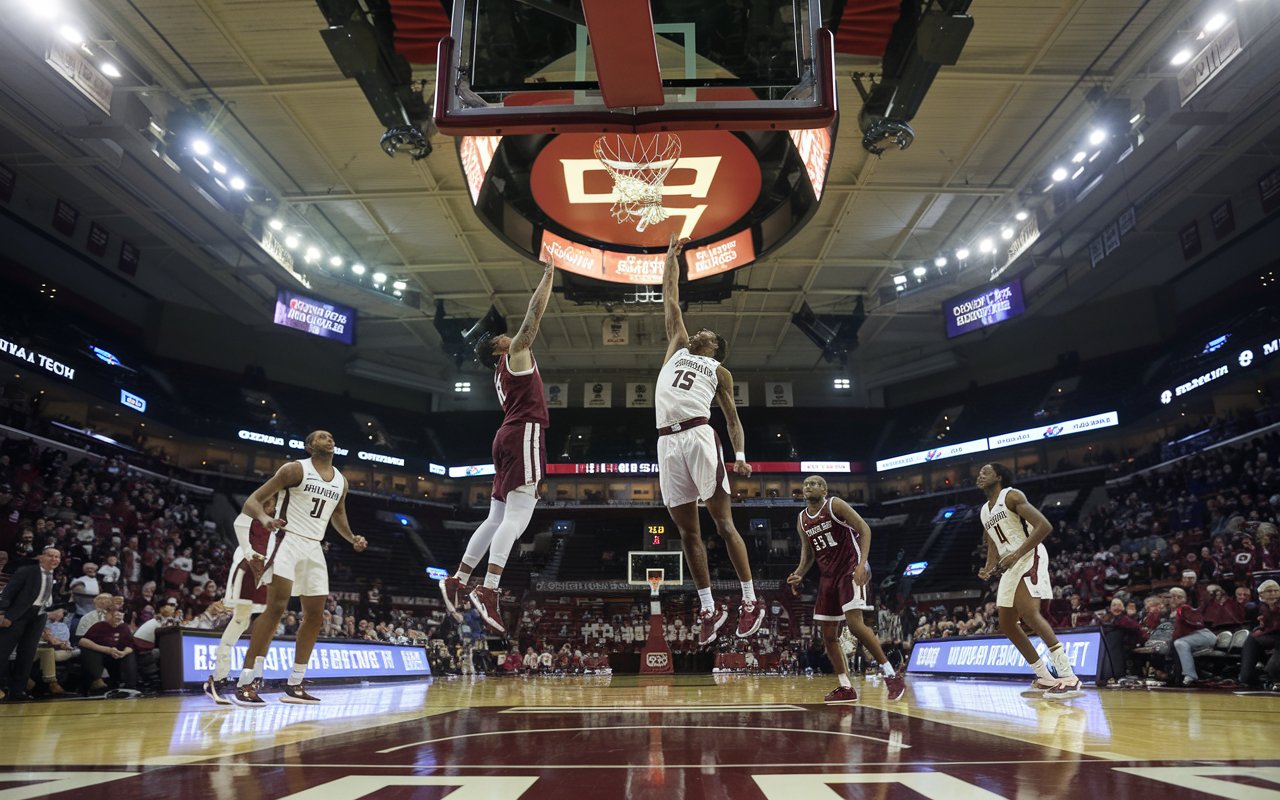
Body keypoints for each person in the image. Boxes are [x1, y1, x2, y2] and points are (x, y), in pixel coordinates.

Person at [653, 233, 763, 646]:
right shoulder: (678, 347)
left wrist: (740, 455)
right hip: (666, 443)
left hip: (700, 435)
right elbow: (671, 299)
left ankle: (750, 600)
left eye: (710, 335)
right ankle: (708, 608)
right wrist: (669, 258)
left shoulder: (719, 371)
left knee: (722, 523)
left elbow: (733, 418)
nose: (701, 331)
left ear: (716, 349)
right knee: (687, 533)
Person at [439, 260, 555, 634]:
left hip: (505, 436)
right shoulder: (514, 357)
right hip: (524, 433)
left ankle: (459, 578)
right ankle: (488, 588)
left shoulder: (503, 373)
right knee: (517, 519)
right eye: (500, 339)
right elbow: (533, 319)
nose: (508, 336)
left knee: (494, 518)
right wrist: (548, 277)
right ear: (496, 352)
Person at [229, 430, 367, 707]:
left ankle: (295, 683)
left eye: (330, 436)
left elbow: (338, 514)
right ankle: (246, 681)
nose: (328, 439)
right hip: (286, 540)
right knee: (276, 608)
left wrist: (352, 537)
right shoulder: (295, 470)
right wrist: (265, 518)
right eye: (321, 437)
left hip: (314, 547)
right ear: (309, 446)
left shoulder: (341, 480)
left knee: (316, 616)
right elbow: (252, 502)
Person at [787, 475, 905, 703]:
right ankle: (845, 686)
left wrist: (862, 565)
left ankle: (891, 674)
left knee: (854, 623)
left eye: (814, 483)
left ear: (824, 489)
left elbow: (864, 528)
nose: (808, 486)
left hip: (849, 569)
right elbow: (808, 552)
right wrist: (799, 573)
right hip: (827, 577)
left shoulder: (835, 505)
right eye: (805, 484)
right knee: (829, 635)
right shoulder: (802, 519)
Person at [976, 463, 1083, 699]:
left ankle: (1068, 676)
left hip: (1028, 555)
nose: (979, 476)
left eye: (985, 471)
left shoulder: (1012, 495)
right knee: (1006, 624)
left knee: (1029, 613)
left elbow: (1044, 525)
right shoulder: (984, 511)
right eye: (979, 473)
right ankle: (1045, 677)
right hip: (1009, 565)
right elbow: (993, 543)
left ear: (999, 476)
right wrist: (988, 567)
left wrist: (1016, 553)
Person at [204, 495, 283, 705]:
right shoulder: (249, 514)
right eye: (270, 501)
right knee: (240, 621)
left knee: (263, 624)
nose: (272, 505)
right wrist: (251, 557)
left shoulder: (279, 523)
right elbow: (240, 530)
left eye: (274, 501)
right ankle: (218, 678)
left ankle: (251, 680)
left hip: (266, 573)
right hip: (247, 568)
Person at [0, 547, 60, 701]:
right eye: (51, 556)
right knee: (2, 652)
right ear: (41, 557)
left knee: (27, 654)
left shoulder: (56, 576)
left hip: (39, 616)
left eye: (57, 557)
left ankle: (18, 691)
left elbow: (49, 597)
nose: (54, 559)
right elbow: (8, 592)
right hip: (17, 615)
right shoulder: (27, 571)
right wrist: (2, 613)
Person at [1238, 579, 1280, 690]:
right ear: (1261, 594)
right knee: (1246, 678)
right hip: (1259, 637)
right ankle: (1260, 676)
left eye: (1276, 591)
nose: (1273, 594)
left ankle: (1273, 675)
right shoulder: (1254, 608)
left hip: (1276, 637)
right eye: (1269, 591)